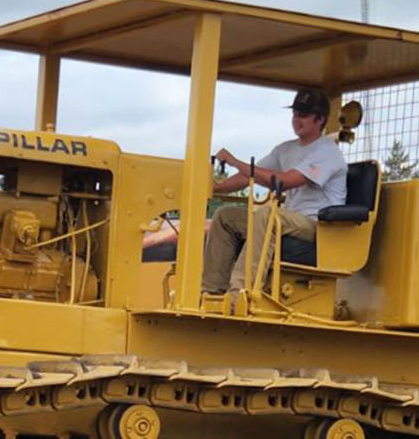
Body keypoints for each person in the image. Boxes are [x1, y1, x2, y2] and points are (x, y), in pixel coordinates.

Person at [140, 89, 348, 295]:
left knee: (268, 216)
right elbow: (248, 177)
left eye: (303, 115)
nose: (296, 120)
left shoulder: (328, 152)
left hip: (318, 227)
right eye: (295, 114)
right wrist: (212, 187)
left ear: (320, 119)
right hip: (288, 222)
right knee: (225, 216)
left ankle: (240, 292)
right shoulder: (286, 149)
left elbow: (283, 182)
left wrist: (235, 161)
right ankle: (211, 292)